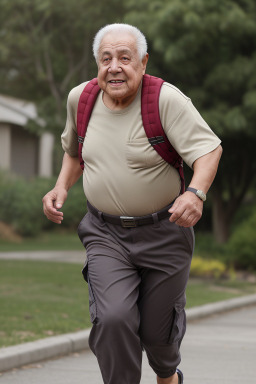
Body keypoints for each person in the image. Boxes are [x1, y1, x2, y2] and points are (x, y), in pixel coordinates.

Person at [42, 23, 222, 384]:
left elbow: (208, 150)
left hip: (165, 232)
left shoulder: (165, 100)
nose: (114, 67)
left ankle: (167, 374)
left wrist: (195, 193)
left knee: (158, 336)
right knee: (113, 320)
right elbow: (75, 152)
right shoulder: (82, 99)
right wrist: (60, 186)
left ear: (143, 62)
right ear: (97, 63)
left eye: (125, 58)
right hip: (105, 233)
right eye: (106, 58)